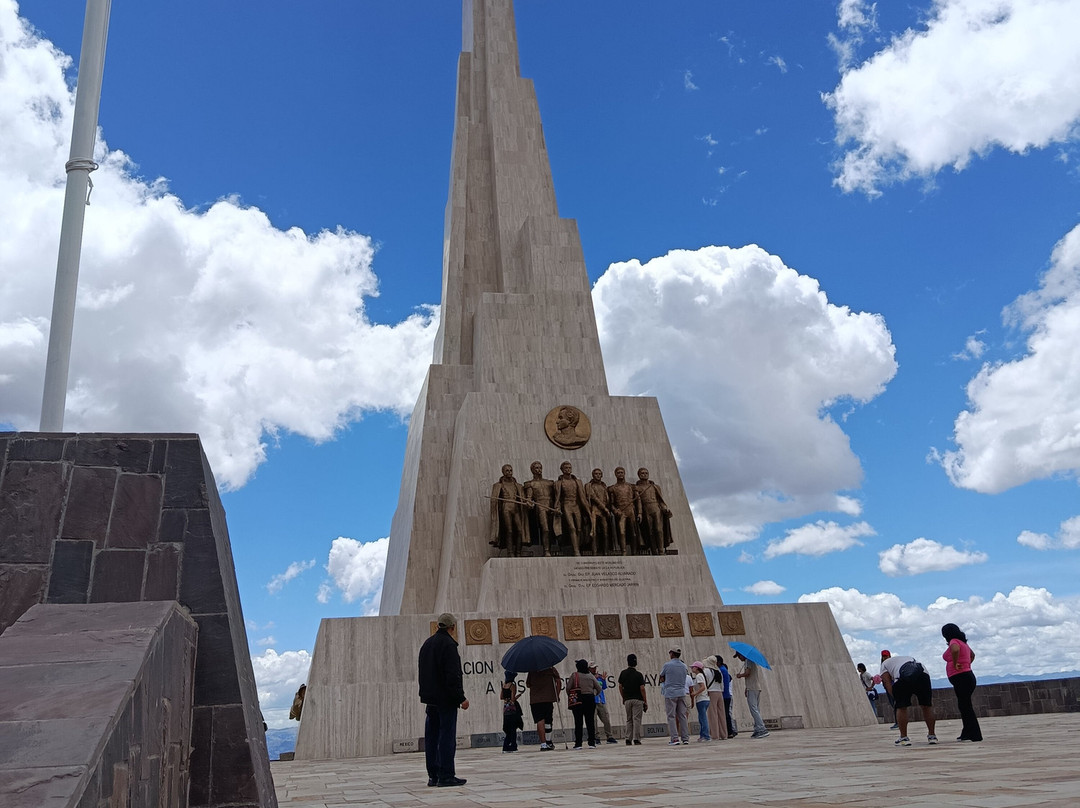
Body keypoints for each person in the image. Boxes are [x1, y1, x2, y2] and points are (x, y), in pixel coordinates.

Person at [418, 613, 470, 787]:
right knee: (446, 737)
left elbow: (423, 673)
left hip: (430, 700)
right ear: (452, 627)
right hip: (445, 700)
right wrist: (461, 698)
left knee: (432, 737)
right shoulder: (448, 645)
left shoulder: (427, 644)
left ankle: (433, 775)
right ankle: (446, 775)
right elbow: (452, 676)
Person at [879, 651, 938, 746]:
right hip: (923, 674)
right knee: (926, 705)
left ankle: (904, 737)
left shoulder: (884, 664)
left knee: (901, 707)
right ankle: (932, 735)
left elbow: (887, 682)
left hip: (903, 677)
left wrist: (895, 697)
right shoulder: (904, 658)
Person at [942, 623, 983, 742]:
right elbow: (972, 655)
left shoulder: (954, 641)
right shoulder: (963, 643)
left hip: (961, 677)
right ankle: (966, 732)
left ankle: (975, 735)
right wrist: (967, 664)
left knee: (966, 706)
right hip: (967, 676)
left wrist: (955, 663)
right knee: (964, 705)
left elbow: (955, 650)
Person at [489, 464, 527, 556]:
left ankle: (518, 552)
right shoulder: (498, 485)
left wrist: (527, 503)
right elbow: (494, 500)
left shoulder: (517, 485)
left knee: (520, 530)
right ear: (503, 472)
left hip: (516, 508)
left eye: (510, 470)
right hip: (506, 508)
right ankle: (510, 552)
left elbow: (523, 498)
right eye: (507, 471)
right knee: (509, 530)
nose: (509, 472)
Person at [554, 460, 591, 556]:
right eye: (566, 468)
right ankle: (576, 551)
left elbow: (582, 496)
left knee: (579, 529)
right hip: (567, 505)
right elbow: (557, 497)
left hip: (576, 505)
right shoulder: (558, 483)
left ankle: (578, 547)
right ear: (562, 470)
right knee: (572, 528)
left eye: (569, 468)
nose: (568, 469)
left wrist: (587, 508)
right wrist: (557, 507)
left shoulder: (577, 481)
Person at [634, 467, 672, 554]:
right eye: (642, 473)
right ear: (639, 475)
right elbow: (638, 501)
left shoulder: (655, 486)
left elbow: (660, 500)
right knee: (650, 531)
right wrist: (640, 513)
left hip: (656, 508)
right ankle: (654, 550)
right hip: (646, 509)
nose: (644, 474)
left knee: (659, 529)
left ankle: (661, 550)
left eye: (646, 473)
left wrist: (665, 508)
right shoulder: (637, 488)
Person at [568, 658, 603, 749]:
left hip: (578, 700)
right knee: (590, 721)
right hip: (590, 699)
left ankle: (578, 743)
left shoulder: (574, 675)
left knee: (578, 722)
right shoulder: (591, 676)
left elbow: (568, 688)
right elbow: (599, 688)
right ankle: (591, 742)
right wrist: (592, 693)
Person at [524, 461, 557, 557]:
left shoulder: (549, 483)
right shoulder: (530, 484)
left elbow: (555, 496)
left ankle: (550, 548)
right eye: (536, 468)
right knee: (545, 528)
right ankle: (546, 550)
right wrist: (529, 503)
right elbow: (529, 497)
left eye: (540, 467)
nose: (539, 470)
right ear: (532, 470)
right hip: (540, 506)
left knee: (551, 529)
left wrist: (557, 506)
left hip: (550, 506)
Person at [526, 665, 562, 750]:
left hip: (535, 700)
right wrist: (557, 694)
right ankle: (549, 741)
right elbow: (558, 681)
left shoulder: (532, 670)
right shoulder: (551, 669)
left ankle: (543, 744)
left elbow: (528, 684)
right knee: (548, 721)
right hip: (548, 698)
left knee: (539, 720)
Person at [734, 651, 769, 738]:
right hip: (755, 687)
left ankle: (762, 728)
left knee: (753, 709)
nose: (739, 658)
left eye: (739, 656)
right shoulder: (751, 661)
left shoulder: (748, 661)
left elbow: (748, 673)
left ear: (742, 654)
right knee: (756, 709)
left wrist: (740, 675)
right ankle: (757, 729)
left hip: (752, 688)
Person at [659, 648, 690, 745]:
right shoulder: (684, 666)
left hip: (671, 693)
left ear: (672, 654)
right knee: (682, 716)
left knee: (671, 716)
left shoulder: (667, 665)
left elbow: (661, 676)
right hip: (682, 692)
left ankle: (675, 738)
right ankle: (685, 738)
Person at [607, 466, 639, 555]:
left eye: (622, 472)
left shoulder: (631, 486)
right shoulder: (613, 488)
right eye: (618, 473)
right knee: (621, 532)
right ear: (615, 475)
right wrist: (615, 510)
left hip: (631, 510)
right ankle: (623, 551)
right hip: (621, 512)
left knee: (634, 533)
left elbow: (638, 500)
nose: (620, 474)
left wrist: (640, 512)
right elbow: (611, 503)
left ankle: (634, 551)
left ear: (624, 473)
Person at [618, 653, 647, 745]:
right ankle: (636, 738)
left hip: (627, 699)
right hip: (637, 699)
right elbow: (642, 688)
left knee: (629, 719)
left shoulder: (623, 673)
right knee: (636, 719)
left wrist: (623, 697)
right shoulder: (638, 674)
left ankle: (628, 738)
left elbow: (620, 686)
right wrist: (645, 701)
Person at [585, 469, 613, 555]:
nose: (598, 475)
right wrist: (604, 508)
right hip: (594, 510)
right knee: (593, 531)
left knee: (605, 532)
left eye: (599, 474)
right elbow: (593, 497)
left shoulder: (604, 486)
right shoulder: (589, 485)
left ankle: (605, 551)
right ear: (593, 475)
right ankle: (594, 552)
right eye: (596, 474)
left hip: (603, 512)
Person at [589, 662, 618, 743]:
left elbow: (603, 687)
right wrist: (594, 678)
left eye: (595, 667)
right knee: (593, 721)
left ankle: (609, 736)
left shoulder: (599, 677)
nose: (594, 669)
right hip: (593, 701)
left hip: (601, 700)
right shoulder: (588, 677)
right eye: (592, 668)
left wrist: (603, 680)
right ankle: (596, 737)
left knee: (606, 719)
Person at [703, 656, 728, 740]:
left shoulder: (706, 671)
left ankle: (714, 734)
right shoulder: (718, 671)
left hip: (711, 692)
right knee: (721, 714)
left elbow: (705, 683)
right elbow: (722, 684)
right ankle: (724, 734)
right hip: (719, 692)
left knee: (712, 714)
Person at [500, 670, 523, 752]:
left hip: (505, 709)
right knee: (513, 728)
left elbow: (501, 697)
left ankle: (506, 746)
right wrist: (518, 696)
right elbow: (513, 699)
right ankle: (513, 746)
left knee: (508, 728)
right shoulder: (512, 685)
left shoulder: (503, 685)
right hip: (512, 708)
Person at [690, 662, 711, 741]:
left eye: (693, 667)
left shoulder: (699, 676)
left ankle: (706, 736)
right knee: (701, 718)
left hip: (701, 699)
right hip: (704, 699)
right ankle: (702, 735)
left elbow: (702, 687)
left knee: (703, 718)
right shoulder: (701, 676)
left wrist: (695, 693)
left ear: (697, 668)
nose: (692, 668)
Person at [880, 650, 899, 729]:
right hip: (887, 687)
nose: (885, 658)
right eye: (884, 656)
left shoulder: (891, 664)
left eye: (886, 656)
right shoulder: (883, 665)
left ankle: (898, 722)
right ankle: (897, 722)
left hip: (893, 686)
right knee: (894, 705)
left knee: (896, 705)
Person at [718, 656, 737, 737]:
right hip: (728, 695)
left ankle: (731, 730)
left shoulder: (722, 671)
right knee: (727, 713)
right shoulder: (724, 671)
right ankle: (730, 731)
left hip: (726, 695)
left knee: (727, 713)